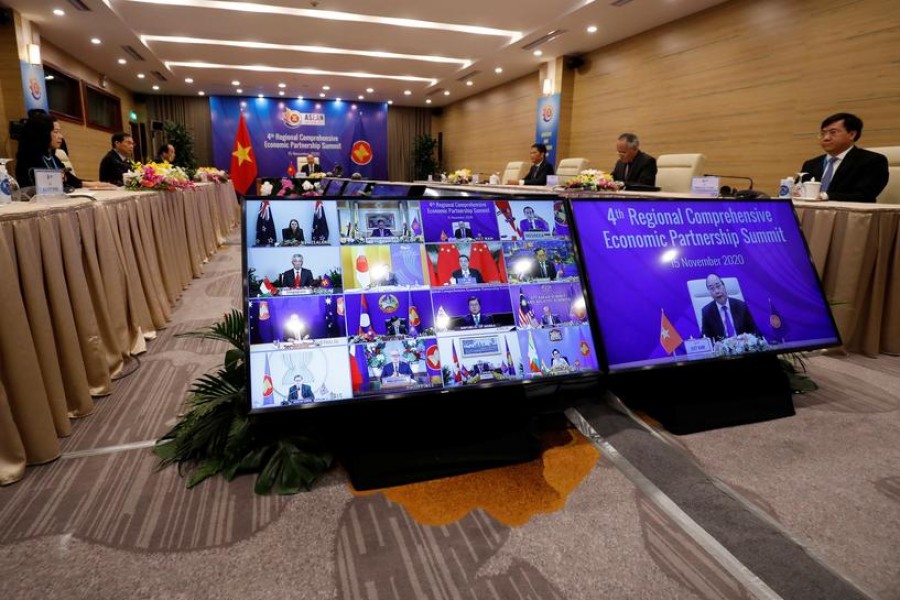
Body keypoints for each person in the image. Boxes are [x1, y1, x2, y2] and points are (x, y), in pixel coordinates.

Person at [798, 113, 889, 202]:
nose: (826, 138)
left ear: (852, 134)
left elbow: (864, 195)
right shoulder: (811, 164)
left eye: (833, 132)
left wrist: (825, 196)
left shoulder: (872, 161)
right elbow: (799, 190)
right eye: (823, 133)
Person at [14, 112, 112, 190]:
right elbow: (31, 190)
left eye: (60, 132)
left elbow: (71, 180)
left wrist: (97, 184)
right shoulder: (28, 159)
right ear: (41, 133)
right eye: (56, 132)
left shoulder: (53, 157)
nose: (61, 136)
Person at [700, 274, 760, 340]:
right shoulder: (707, 312)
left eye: (718, 286)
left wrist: (748, 337)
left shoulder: (741, 306)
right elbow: (705, 337)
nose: (716, 291)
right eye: (712, 288)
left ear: (724, 286)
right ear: (709, 292)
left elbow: (755, 331)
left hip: (743, 347)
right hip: (722, 349)